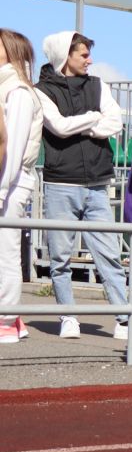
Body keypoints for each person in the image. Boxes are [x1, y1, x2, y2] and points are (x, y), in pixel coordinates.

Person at [37, 30, 132, 340]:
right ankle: (68, 316)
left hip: (97, 182)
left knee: (108, 254)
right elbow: (59, 127)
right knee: (60, 256)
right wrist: (93, 118)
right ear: (64, 56)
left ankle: (124, 320)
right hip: (60, 182)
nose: (89, 60)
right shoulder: (41, 91)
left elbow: (115, 122)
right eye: (83, 54)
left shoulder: (98, 85)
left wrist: (86, 122)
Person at [0, 29, 44, 345]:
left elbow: (13, 148)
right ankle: (13, 319)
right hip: (8, 180)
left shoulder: (17, 92)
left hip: (11, 181)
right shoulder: (8, 89)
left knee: (6, 250)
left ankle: (5, 320)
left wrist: (1, 188)